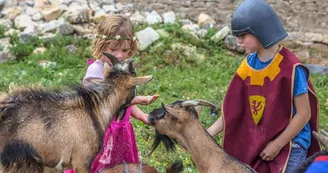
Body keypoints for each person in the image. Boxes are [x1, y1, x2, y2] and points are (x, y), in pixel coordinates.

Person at [207, 0, 321, 172]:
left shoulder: (290, 68)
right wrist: (204, 136)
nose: (239, 41)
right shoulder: (247, 66)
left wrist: (277, 144)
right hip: (262, 142)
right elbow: (230, 111)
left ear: (260, 31)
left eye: (243, 36)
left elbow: (304, 114)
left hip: (292, 145)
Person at [64, 14, 159, 173]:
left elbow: (125, 101)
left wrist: (142, 115)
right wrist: (137, 100)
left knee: (122, 167)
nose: (120, 55)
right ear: (101, 45)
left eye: (124, 50)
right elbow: (102, 102)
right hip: (100, 132)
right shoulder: (95, 71)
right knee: (97, 166)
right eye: (113, 49)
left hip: (121, 130)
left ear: (131, 49)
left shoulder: (123, 72)